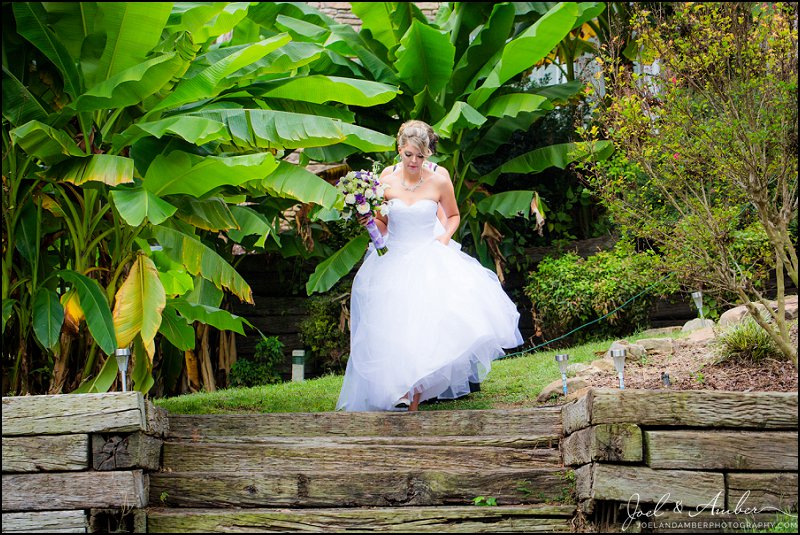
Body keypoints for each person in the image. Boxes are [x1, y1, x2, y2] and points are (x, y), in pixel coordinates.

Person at [336, 120, 523, 412]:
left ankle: (412, 395)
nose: (414, 161)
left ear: (428, 155)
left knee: (424, 327)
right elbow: (384, 224)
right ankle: (396, 390)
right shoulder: (384, 179)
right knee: (392, 326)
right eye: (409, 154)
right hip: (392, 259)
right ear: (400, 149)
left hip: (428, 255)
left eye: (420, 156)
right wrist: (369, 221)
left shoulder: (439, 180)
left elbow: (453, 216)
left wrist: (443, 240)